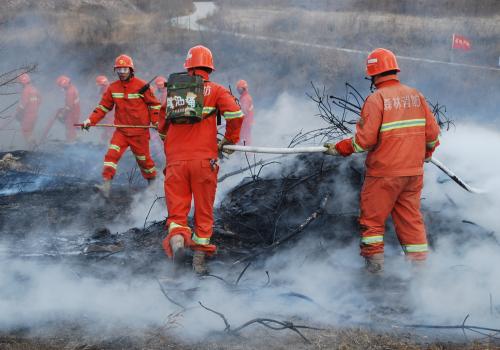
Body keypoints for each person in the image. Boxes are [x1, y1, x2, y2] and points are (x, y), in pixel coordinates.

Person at [324, 48, 440, 273]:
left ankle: (374, 272)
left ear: (373, 74)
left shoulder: (376, 99)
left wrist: (339, 148)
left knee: (373, 222)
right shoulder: (416, 95)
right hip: (413, 174)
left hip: (384, 174)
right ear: (394, 70)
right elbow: (433, 134)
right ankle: (421, 273)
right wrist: (425, 156)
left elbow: (364, 141)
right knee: (411, 221)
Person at [158, 45, 243, 274]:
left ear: (188, 67)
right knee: (204, 212)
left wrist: (172, 146)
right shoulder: (215, 91)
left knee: (177, 213)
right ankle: (198, 260)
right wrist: (229, 140)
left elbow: (161, 128)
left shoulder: (175, 93)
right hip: (204, 161)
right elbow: (236, 114)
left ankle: (177, 241)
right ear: (209, 68)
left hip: (175, 162)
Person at [82, 54, 162, 197]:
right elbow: (102, 108)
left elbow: (155, 106)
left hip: (140, 133)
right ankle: (105, 186)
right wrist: (90, 120)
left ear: (131, 70)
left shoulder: (142, 86)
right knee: (111, 155)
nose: (122, 73)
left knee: (144, 161)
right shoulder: (113, 88)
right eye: (119, 70)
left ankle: (152, 185)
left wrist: (156, 121)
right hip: (122, 132)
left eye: (124, 69)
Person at [15, 73, 41, 146]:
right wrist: (34, 108)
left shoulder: (26, 90)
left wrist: (18, 112)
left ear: (22, 82)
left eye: (20, 82)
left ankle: (33, 148)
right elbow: (40, 100)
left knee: (26, 131)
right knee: (30, 131)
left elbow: (24, 103)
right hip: (34, 115)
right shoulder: (34, 89)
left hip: (28, 115)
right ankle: (33, 147)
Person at [54, 75, 81, 142]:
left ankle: (71, 143)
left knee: (70, 128)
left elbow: (69, 106)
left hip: (71, 112)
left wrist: (62, 114)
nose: (61, 87)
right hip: (76, 111)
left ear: (64, 84)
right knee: (73, 127)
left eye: (60, 86)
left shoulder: (69, 92)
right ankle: (76, 138)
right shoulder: (73, 88)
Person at [95, 75, 114, 144]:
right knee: (107, 128)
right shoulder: (108, 87)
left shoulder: (106, 91)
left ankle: (111, 145)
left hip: (111, 113)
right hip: (109, 112)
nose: (98, 86)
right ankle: (104, 142)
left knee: (109, 128)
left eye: (99, 85)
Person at [236, 79, 254, 145]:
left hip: (245, 122)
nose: (238, 91)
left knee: (244, 139)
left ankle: (246, 154)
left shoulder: (245, 98)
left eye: (239, 89)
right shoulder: (245, 97)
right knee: (245, 138)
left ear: (243, 89)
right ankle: (245, 153)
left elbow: (243, 111)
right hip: (247, 122)